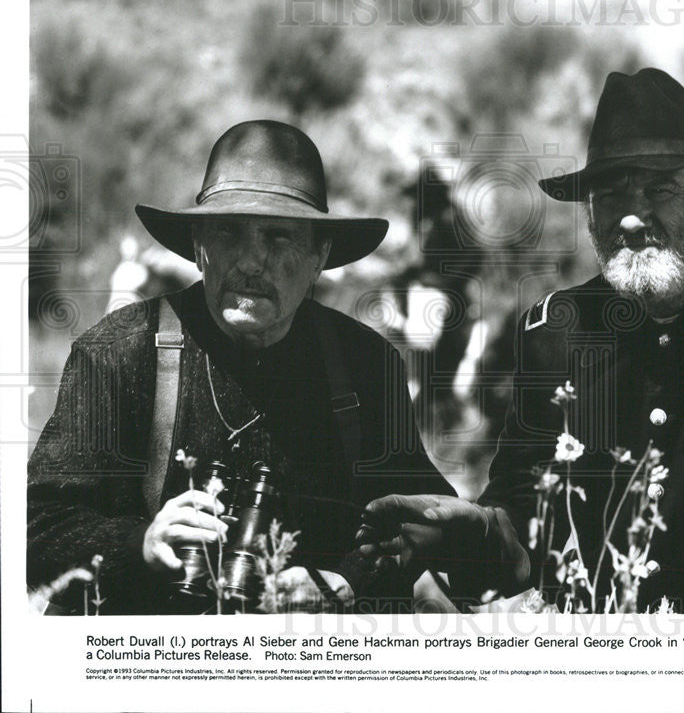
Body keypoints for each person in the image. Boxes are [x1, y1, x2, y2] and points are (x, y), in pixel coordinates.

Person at [360, 68, 684, 613]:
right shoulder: (557, 332)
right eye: (611, 193)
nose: (633, 218)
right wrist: (470, 534)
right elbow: (528, 527)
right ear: (589, 211)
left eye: (660, 189)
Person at [27, 120, 454, 614]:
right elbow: (33, 528)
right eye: (228, 231)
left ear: (320, 256)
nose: (251, 261)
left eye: (278, 237)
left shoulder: (364, 365)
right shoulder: (120, 353)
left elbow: (427, 524)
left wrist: (346, 584)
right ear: (198, 246)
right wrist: (141, 544)